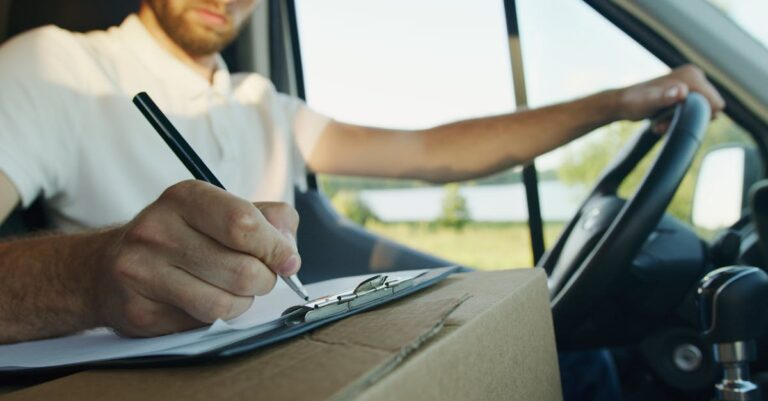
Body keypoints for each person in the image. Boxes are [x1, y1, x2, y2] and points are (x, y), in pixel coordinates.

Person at [0, 0, 724, 345]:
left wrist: (616, 102)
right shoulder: (58, 68)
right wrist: (91, 273)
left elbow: (430, 152)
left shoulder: (260, 102)